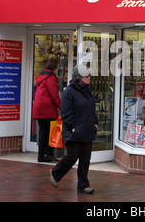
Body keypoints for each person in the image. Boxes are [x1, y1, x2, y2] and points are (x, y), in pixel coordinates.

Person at [49, 64, 98, 194]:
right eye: (86, 76)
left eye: (89, 75)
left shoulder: (87, 91)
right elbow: (65, 112)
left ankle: (83, 185)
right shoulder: (69, 92)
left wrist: (95, 123)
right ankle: (55, 173)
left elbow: (92, 108)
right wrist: (72, 127)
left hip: (87, 129)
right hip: (74, 131)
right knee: (72, 156)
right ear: (78, 77)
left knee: (85, 158)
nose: (89, 78)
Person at [32, 58, 61, 162]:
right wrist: (62, 107)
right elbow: (54, 96)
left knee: (43, 132)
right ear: (55, 67)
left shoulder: (42, 76)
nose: (58, 69)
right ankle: (48, 154)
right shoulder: (51, 78)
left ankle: (41, 155)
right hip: (47, 108)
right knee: (53, 132)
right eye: (57, 67)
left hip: (39, 108)